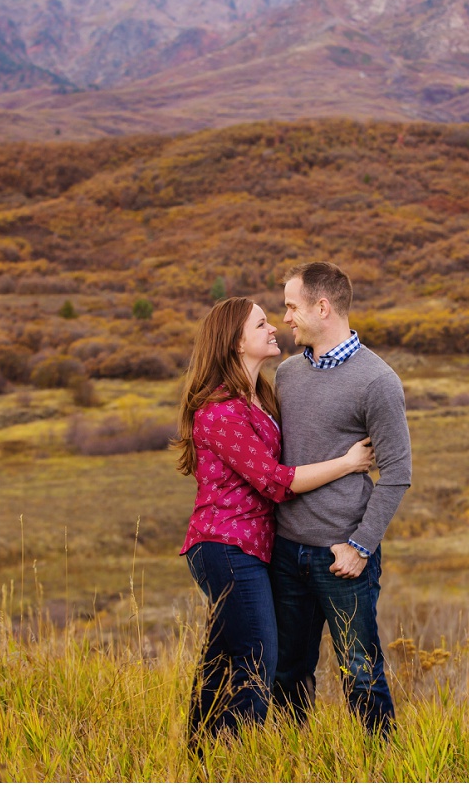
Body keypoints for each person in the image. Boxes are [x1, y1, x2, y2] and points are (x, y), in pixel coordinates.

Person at [173, 296, 374, 744]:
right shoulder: (220, 411)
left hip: (251, 548)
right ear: (234, 342)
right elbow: (274, 481)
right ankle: (237, 753)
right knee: (257, 653)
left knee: (224, 656)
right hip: (224, 546)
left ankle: (204, 752)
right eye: (261, 323)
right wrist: (347, 463)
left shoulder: (259, 394)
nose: (274, 327)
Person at [270, 261, 412, 737]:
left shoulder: (377, 381)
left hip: (341, 560)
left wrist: (360, 546)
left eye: (292, 306)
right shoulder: (287, 374)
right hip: (286, 552)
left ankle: (380, 766)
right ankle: (294, 758)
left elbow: (397, 472)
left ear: (322, 307)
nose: (285, 317)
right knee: (287, 672)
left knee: (361, 675)